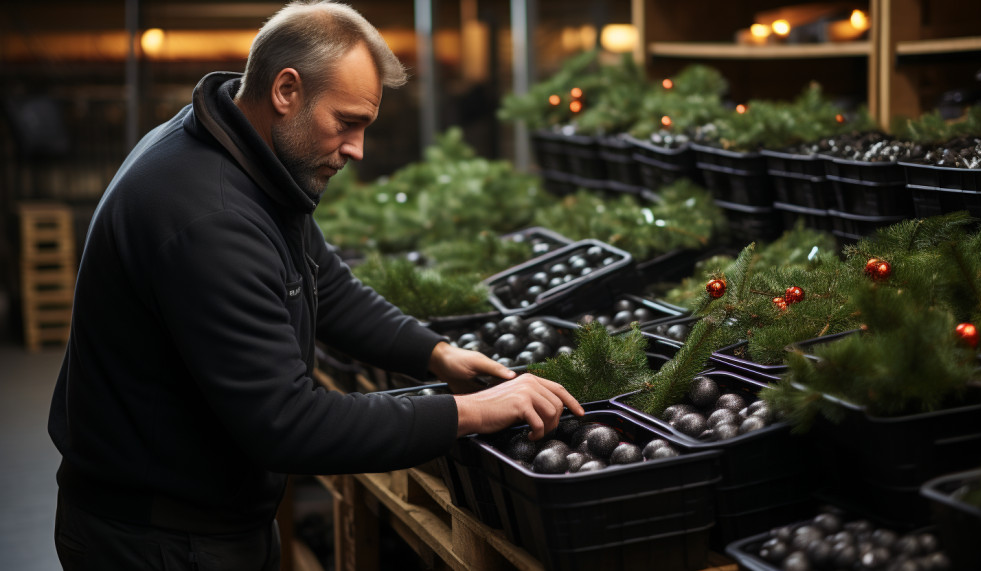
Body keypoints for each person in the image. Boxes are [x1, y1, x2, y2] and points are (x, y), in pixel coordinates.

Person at [48, 2, 583, 569]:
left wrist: (436, 353)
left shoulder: (242, 148)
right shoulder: (211, 218)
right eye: (346, 122)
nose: (356, 149)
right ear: (286, 90)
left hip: (200, 515)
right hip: (156, 538)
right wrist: (469, 413)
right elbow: (289, 424)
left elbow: (324, 279)